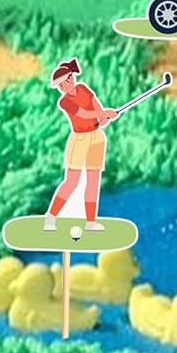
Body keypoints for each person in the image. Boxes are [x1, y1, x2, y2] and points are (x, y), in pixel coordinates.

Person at [43, 58, 119, 231]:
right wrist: (103, 113)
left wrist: (103, 117)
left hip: (96, 137)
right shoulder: (64, 101)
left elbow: (95, 106)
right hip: (79, 140)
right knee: (72, 181)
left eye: (68, 79)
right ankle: (51, 217)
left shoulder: (83, 89)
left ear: (73, 77)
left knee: (93, 182)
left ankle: (90, 222)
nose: (66, 85)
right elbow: (83, 113)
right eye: (61, 84)